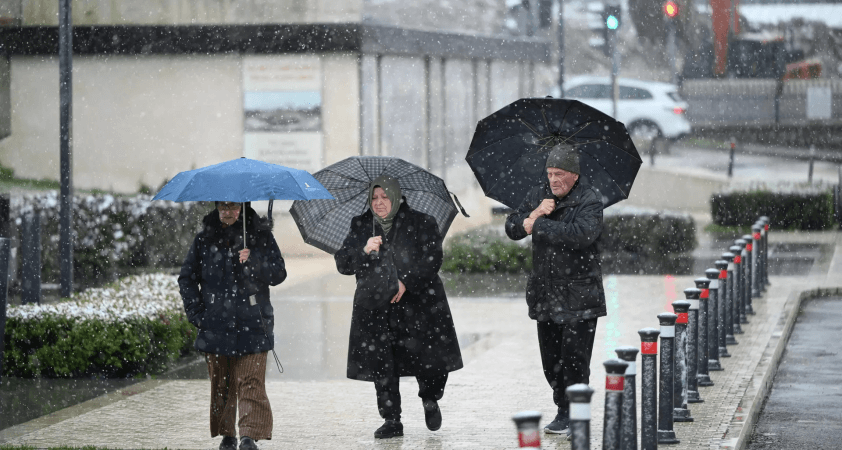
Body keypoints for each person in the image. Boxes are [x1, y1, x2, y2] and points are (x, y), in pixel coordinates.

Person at [334, 175, 463, 439]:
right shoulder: (361, 225)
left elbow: (433, 258)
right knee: (383, 363)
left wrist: (406, 281)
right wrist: (363, 250)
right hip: (377, 307)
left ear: (397, 196)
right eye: (374, 198)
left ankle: (430, 397)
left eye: (385, 196)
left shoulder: (422, 222)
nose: (379, 203)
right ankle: (392, 419)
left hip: (419, 305)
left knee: (429, 361)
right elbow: (343, 264)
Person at [505, 144, 607, 435]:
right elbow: (513, 227)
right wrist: (534, 213)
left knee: (574, 358)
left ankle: (571, 412)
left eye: (559, 174)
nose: (553, 179)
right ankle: (563, 405)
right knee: (551, 361)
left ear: (574, 175)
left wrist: (538, 224)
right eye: (550, 173)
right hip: (545, 293)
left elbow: (580, 235)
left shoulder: (590, 200)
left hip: (579, 296)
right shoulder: (539, 195)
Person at [179, 201, 287, 450]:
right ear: (217, 207)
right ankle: (228, 434)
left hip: (255, 321)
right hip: (215, 324)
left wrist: (255, 260)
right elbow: (187, 277)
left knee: (251, 381)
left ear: (243, 206)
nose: (228, 211)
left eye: (234, 206)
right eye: (223, 206)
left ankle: (248, 436)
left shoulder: (260, 235)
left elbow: (279, 274)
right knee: (222, 382)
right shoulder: (203, 239)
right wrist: (196, 313)